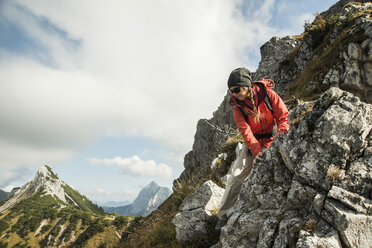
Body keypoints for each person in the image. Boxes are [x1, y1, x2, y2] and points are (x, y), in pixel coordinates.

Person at [216, 67, 289, 232]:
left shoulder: (269, 96)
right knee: (235, 176)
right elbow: (246, 132)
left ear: (247, 85)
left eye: (236, 89)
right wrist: (257, 152)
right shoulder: (238, 109)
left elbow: (282, 117)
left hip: (272, 140)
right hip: (252, 145)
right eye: (231, 91)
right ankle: (223, 214)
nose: (234, 94)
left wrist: (280, 135)